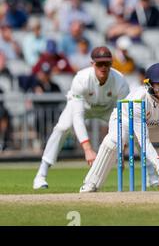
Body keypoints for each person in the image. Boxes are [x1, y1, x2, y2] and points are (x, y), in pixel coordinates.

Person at [79, 63, 159, 193]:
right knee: (114, 140)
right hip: (126, 123)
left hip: (154, 125)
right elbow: (143, 140)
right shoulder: (139, 99)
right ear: (149, 85)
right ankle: (91, 183)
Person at [33, 46, 130, 189]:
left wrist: (122, 150)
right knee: (62, 127)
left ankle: (151, 176)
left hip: (108, 109)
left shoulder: (120, 81)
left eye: (107, 64)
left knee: (136, 127)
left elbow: (125, 117)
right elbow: (77, 117)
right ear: (93, 64)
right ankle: (41, 175)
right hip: (83, 107)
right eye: (99, 64)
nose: (103, 67)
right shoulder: (81, 79)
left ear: (111, 64)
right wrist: (88, 149)